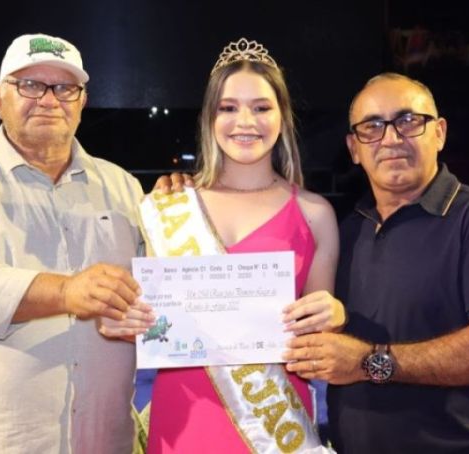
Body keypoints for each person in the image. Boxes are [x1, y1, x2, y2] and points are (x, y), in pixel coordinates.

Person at [0, 33, 154, 453]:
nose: (48, 100)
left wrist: (187, 205)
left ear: (82, 101)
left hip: (104, 440)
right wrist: (66, 291)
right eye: (30, 85)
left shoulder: (123, 187)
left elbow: (158, 291)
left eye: (64, 88)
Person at [283, 73, 469, 453]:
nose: (391, 139)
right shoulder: (347, 230)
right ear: (354, 148)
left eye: (408, 121)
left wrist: (370, 362)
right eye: (372, 127)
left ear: (439, 133)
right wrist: (195, 194)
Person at [123, 38, 342, 453]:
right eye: (228, 107)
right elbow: (147, 317)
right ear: (210, 117)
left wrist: (333, 315)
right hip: (184, 418)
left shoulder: (315, 214)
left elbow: (319, 340)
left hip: (275, 427)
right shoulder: (169, 205)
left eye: (261, 107)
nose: (245, 121)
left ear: (282, 117)